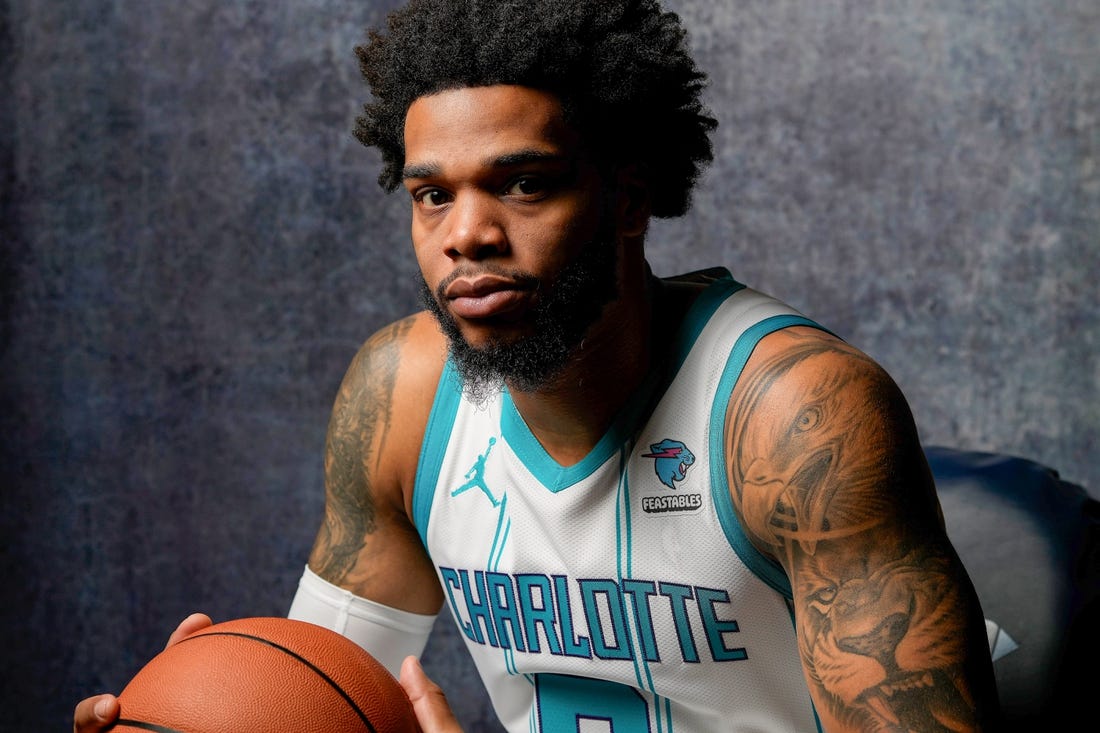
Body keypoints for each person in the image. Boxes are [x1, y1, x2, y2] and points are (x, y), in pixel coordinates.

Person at [75, 0, 1003, 730]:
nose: (467, 234)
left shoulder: (794, 413)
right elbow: (322, 694)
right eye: (432, 195)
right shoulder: (401, 397)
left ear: (628, 199)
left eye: (523, 183)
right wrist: (204, 701)